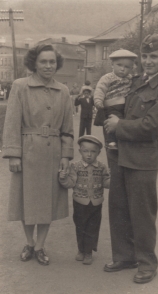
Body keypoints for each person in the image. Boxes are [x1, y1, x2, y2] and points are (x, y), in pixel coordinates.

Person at [104, 34, 158, 283]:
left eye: (153, 56)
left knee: (142, 213)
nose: (148, 61)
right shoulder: (134, 81)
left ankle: (147, 263)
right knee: (119, 208)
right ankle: (125, 256)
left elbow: (151, 126)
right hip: (120, 155)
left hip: (144, 160)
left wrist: (118, 125)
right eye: (144, 56)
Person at [2, 44, 74, 266]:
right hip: (28, 152)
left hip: (53, 155)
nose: (48, 66)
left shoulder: (63, 90)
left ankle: (41, 245)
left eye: (52, 61)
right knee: (27, 201)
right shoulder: (20, 86)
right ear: (34, 63)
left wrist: (66, 155)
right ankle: (29, 243)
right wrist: (14, 154)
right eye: (44, 61)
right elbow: (12, 121)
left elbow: (68, 129)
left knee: (48, 203)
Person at [59, 135, 110, 265]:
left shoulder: (102, 167)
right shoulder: (75, 167)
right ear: (80, 151)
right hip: (80, 203)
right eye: (85, 151)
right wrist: (63, 178)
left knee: (93, 228)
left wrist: (114, 177)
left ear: (98, 152)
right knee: (80, 227)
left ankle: (88, 252)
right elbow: (70, 183)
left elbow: (106, 183)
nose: (89, 155)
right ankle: (81, 250)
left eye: (93, 152)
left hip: (96, 203)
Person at [94, 49, 137, 149]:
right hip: (112, 105)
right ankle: (111, 141)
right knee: (112, 120)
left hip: (125, 105)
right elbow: (100, 89)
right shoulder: (108, 77)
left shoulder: (130, 78)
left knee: (124, 121)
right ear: (112, 65)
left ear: (131, 69)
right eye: (119, 65)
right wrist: (98, 100)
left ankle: (121, 140)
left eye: (127, 67)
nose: (122, 69)